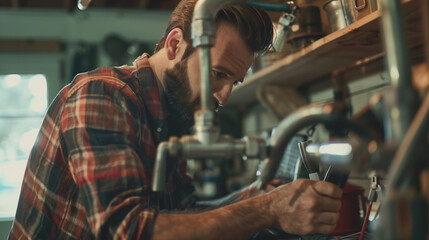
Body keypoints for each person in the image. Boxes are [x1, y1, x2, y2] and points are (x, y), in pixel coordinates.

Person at [8, 0, 342, 239]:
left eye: (234, 81)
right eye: (218, 74)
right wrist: (266, 210)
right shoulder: (102, 95)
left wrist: (255, 196)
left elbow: (181, 212)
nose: (224, 96)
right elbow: (125, 231)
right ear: (174, 44)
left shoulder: (170, 113)